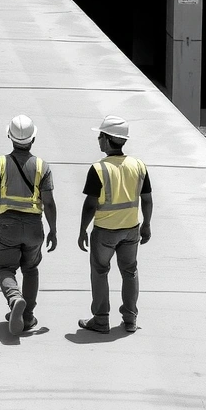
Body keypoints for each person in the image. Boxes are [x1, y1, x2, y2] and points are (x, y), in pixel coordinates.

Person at [0, 114, 58, 334]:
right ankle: (28, 316)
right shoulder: (43, 166)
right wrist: (53, 230)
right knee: (31, 269)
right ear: (33, 139)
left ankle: (15, 298)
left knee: (5, 268)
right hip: (34, 226)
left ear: (9, 136)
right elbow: (50, 203)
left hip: (8, 225)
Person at [77, 115, 152, 334]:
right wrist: (146, 224)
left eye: (101, 136)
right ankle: (130, 320)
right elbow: (146, 198)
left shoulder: (98, 169)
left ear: (109, 139)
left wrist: (82, 229)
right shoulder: (138, 165)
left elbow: (90, 205)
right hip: (131, 230)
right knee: (130, 272)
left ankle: (101, 320)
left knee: (100, 272)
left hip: (105, 232)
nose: (98, 140)